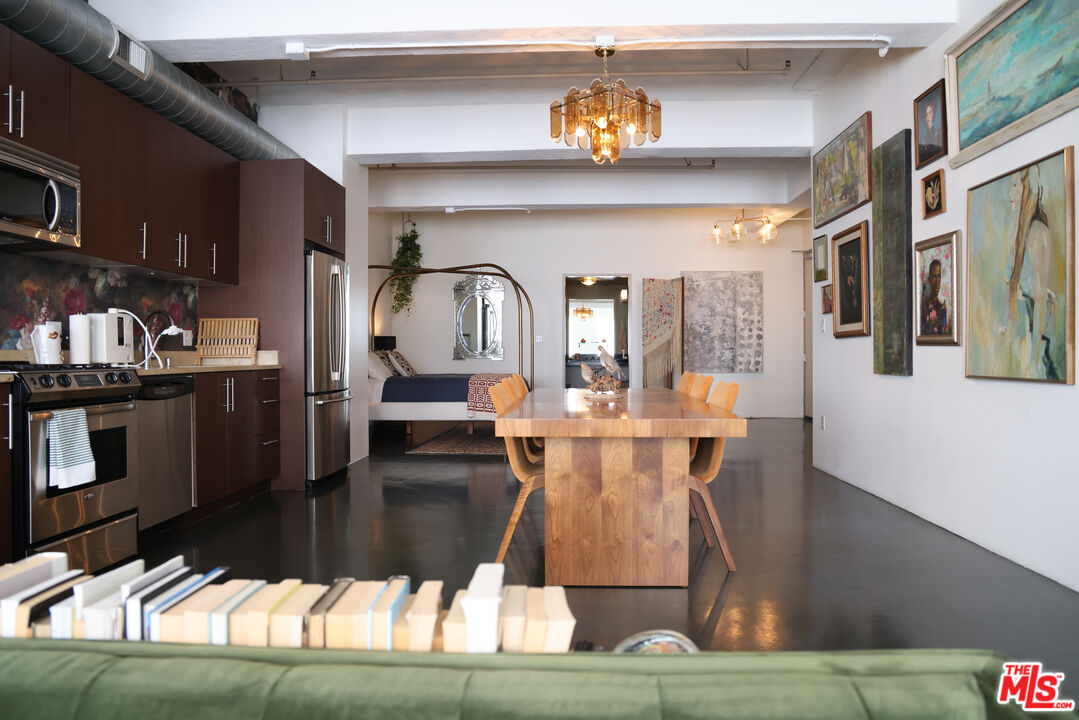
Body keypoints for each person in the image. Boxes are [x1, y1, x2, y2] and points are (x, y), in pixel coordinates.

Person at [920, 259, 949, 334]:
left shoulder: (943, 309)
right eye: (934, 277)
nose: (937, 282)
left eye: (939, 276)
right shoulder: (924, 304)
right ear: (929, 280)